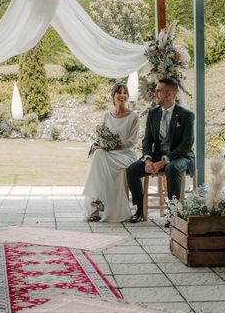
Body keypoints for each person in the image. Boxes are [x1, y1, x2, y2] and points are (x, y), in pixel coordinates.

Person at [125, 77, 195, 223]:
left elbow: (186, 145)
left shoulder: (186, 115)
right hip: (156, 156)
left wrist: (164, 161)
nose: (155, 94)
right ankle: (139, 210)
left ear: (169, 94)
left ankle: (173, 213)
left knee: (172, 168)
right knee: (132, 170)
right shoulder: (153, 113)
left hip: (180, 156)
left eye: (158, 91)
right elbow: (147, 140)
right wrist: (148, 159)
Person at [83, 84, 139, 222]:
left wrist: (112, 147)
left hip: (126, 155)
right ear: (113, 96)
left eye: (125, 93)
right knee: (99, 155)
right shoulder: (107, 116)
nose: (122, 95)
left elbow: (132, 142)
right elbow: (102, 138)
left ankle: (97, 202)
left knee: (100, 156)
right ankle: (97, 201)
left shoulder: (134, 117)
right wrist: (101, 145)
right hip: (108, 154)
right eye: (119, 93)